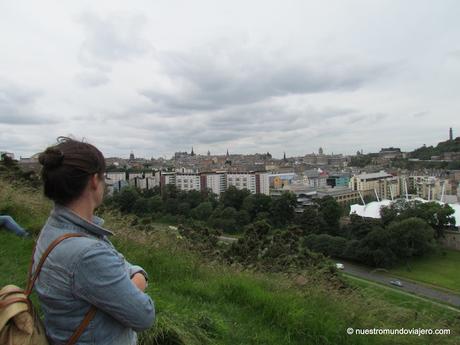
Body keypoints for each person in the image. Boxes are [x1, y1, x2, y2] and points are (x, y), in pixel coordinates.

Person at [33, 137, 155, 345]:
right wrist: (140, 276)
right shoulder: (87, 253)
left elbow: (115, 263)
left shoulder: (54, 230)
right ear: (93, 181)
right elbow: (144, 316)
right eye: (103, 176)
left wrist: (124, 275)